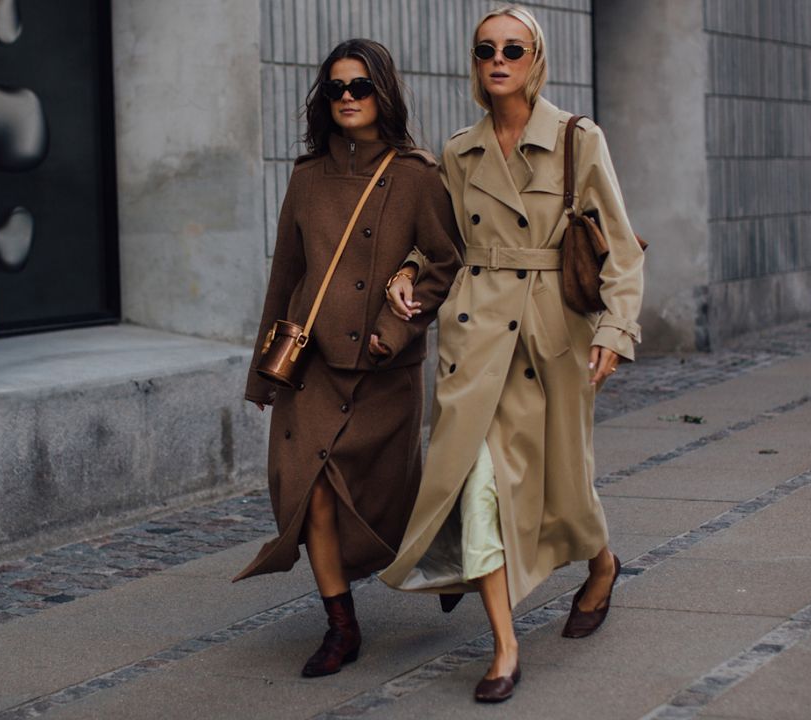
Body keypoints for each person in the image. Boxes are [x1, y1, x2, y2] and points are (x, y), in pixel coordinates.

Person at [379, 4, 645, 703]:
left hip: (550, 335)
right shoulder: (458, 150)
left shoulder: (578, 139)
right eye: (485, 49)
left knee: (564, 486)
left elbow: (618, 245)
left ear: (536, 59)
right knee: (481, 486)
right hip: (475, 335)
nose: (498, 60)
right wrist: (408, 272)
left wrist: (616, 331)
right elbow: (442, 243)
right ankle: (504, 647)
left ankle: (602, 561)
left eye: (513, 49)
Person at [236, 39, 463, 679]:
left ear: (382, 92)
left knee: (387, 493)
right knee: (310, 495)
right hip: (309, 367)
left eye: (358, 87)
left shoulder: (417, 175)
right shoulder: (307, 178)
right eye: (335, 89)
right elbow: (285, 275)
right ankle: (341, 627)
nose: (346, 99)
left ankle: (437, 555)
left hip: (381, 370)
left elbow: (445, 263)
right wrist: (263, 369)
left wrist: (394, 326)